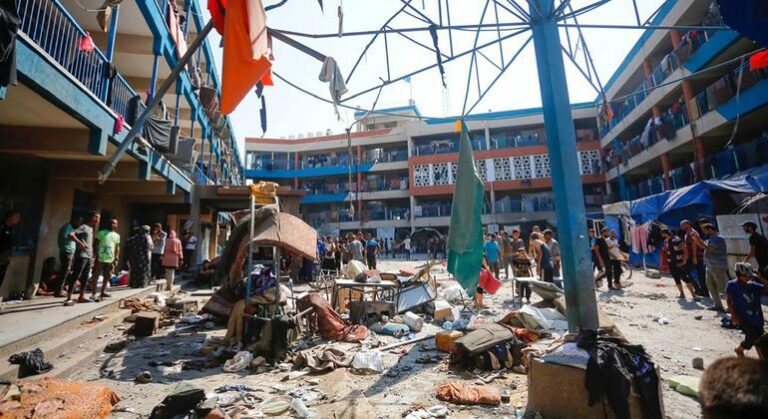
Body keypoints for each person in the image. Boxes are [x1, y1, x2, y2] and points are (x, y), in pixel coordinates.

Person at [726, 262, 766, 359]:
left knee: (760, 339)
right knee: (751, 337)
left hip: (757, 317)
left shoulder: (753, 285)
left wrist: (760, 277)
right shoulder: (732, 285)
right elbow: (729, 301)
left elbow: (766, 287)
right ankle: (739, 349)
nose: (748, 278)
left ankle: (761, 357)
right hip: (742, 317)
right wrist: (734, 316)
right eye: (746, 276)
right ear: (739, 275)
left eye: (750, 276)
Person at [65, 211, 100, 306]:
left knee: (85, 277)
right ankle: (69, 298)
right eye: (96, 217)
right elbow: (71, 234)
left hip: (88, 256)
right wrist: (79, 243)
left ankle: (81, 296)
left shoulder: (91, 228)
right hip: (81, 256)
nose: (98, 220)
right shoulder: (84, 227)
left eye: (99, 218)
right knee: (75, 275)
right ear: (91, 217)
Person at [692, 223, 728, 311]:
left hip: (718, 266)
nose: (703, 232)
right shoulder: (710, 238)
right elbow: (702, 245)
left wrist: (697, 239)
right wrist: (696, 238)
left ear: (709, 229)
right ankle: (718, 305)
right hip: (710, 266)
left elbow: (709, 249)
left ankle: (731, 307)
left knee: (723, 288)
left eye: (704, 230)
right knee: (710, 285)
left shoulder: (718, 238)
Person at [662, 229, 698, 300]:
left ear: (665, 234)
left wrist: (683, 262)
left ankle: (693, 295)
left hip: (680, 262)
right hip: (671, 263)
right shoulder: (666, 241)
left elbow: (685, 251)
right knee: (676, 278)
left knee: (685, 278)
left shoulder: (677, 240)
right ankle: (682, 294)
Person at [92, 218, 120, 301]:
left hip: (110, 259)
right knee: (95, 276)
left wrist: (116, 257)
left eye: (115, 223)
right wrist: (97, 256)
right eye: (111, 223)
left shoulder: (117, 236)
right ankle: (94, 293)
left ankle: (103, 292)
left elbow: (117, 247)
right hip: (100, 258)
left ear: (116, 225)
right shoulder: (101, 233)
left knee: (107, 276)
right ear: (108, 224)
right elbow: (95, 245)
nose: (113, 225)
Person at [55, 216, 81, 297]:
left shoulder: (70, 228)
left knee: (66, 271)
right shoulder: (67, 228)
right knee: (65, 271)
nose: (79, 224)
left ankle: (61, 289)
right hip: (66, 252)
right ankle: (59, 290)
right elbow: (68, 236)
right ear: (74, 220)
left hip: (69, 252)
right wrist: (78, 242)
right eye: (79, 222)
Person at [682, 220, 708, 296]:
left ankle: (702, 291)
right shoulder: (688, 233)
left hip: (696, 257)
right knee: (696, 274)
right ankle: (700, 290)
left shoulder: (692, 232)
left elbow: (694, 244)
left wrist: (694, 257)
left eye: (682, 225)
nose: (681, 227)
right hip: (692, 256)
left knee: (689, 273)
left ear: (687, 224)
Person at [0, 210, 21, 298]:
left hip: (4, 260)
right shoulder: (1, 227)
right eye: (17, 217)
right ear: (10, 217)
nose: (18, 220)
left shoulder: (10, 228)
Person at [741, 221, 768, 287]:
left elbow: (752, 252)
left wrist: (744, 261)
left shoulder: (752, 237)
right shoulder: (761, 236)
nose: (743, 229)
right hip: (765, 261)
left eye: (744, 227)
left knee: (761, 276)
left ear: (750, 228)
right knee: (761, 274)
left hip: (763, 261)